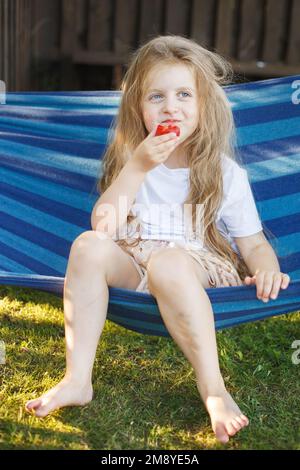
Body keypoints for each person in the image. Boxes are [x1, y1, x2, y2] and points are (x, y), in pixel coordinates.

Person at [25, 35, 290, 444]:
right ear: (138, 109)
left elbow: (253, 243)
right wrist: (137, 167)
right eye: (156, 97)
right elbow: (104, 228)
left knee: (169, 263)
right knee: (86, 246)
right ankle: (77, 379)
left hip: (197, 268)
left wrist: (267, 268)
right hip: (137, 264)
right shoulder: (134, 160)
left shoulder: (224, 173)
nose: (171, 106)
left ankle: (214, 390)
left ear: (204, 105)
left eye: (185, 93)